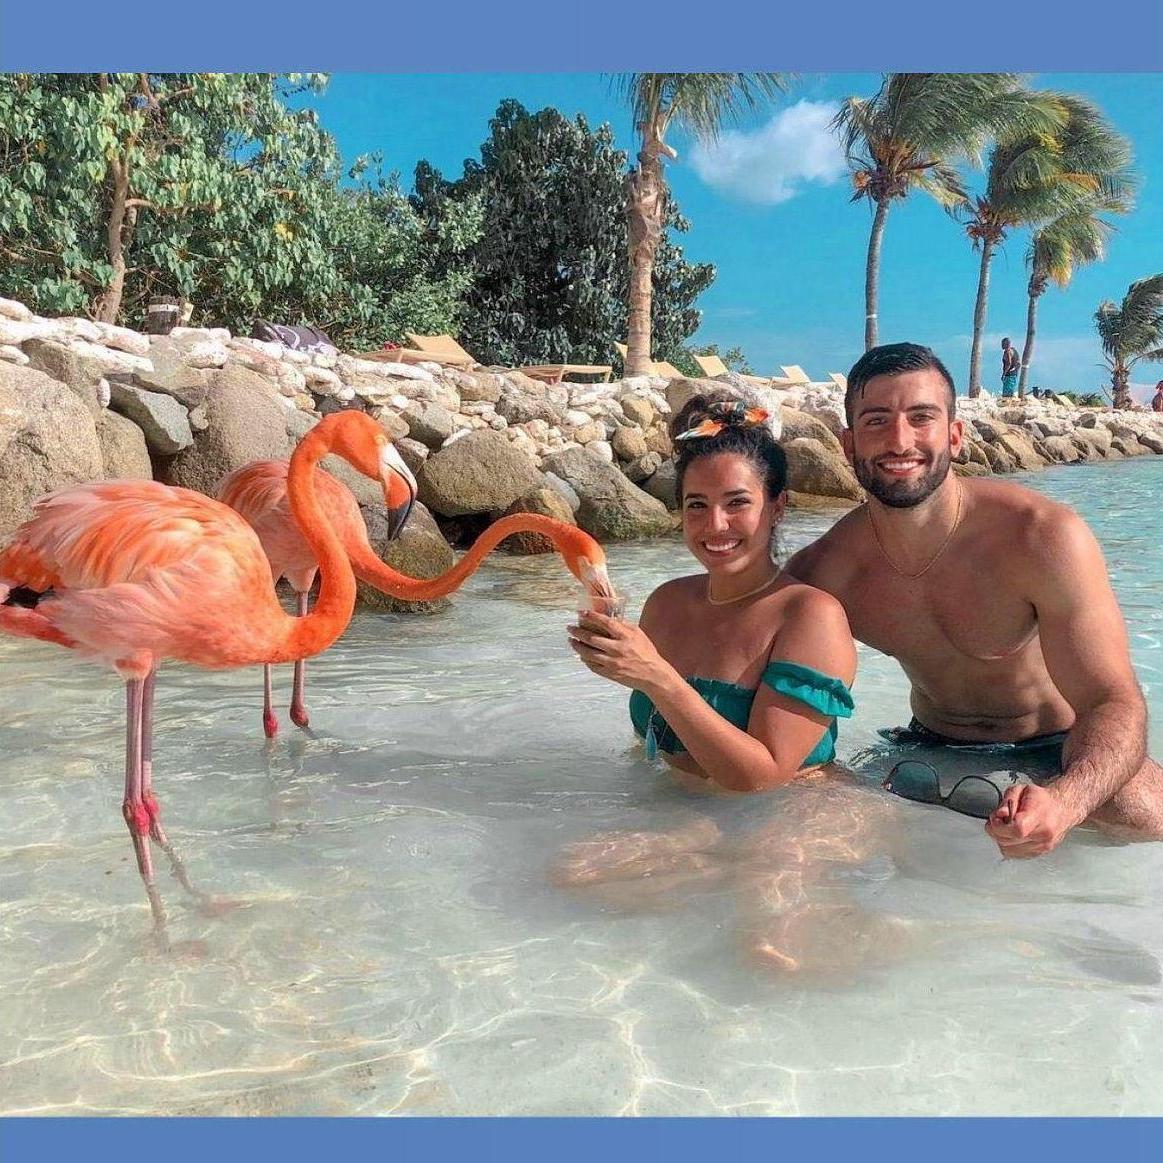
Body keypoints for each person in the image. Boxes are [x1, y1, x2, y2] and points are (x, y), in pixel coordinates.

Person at [786, 342, 1163, 858]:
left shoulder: (1040, 537)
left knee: (1140, 815)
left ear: (956, 435)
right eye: (877, 421)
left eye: (922, 418)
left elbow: (1112, 700)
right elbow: (753, 664)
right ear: (848, 446)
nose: (900, 440)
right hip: (923, 746)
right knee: (805, 820)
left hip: (1057, 746)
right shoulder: (824, 571)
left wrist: (1065, 803)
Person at [567, 393, 857, 794]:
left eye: (737, 502)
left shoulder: (809, 615)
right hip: (684, 809)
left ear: (777, 507)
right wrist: (616, 662)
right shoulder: (667, 602)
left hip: (787, 820)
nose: (715, 524)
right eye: (697, 505)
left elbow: (763, 778)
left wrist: (656, 677)